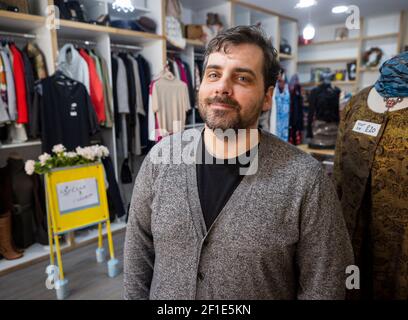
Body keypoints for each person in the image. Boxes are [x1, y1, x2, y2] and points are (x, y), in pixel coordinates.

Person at [124, 25, 353, 300]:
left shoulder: (305, 179)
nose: (222, 87)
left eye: (242, 78)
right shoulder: (160, 159)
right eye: (214, 74)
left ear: (267, 97)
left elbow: (326, 283)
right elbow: (138, 258)